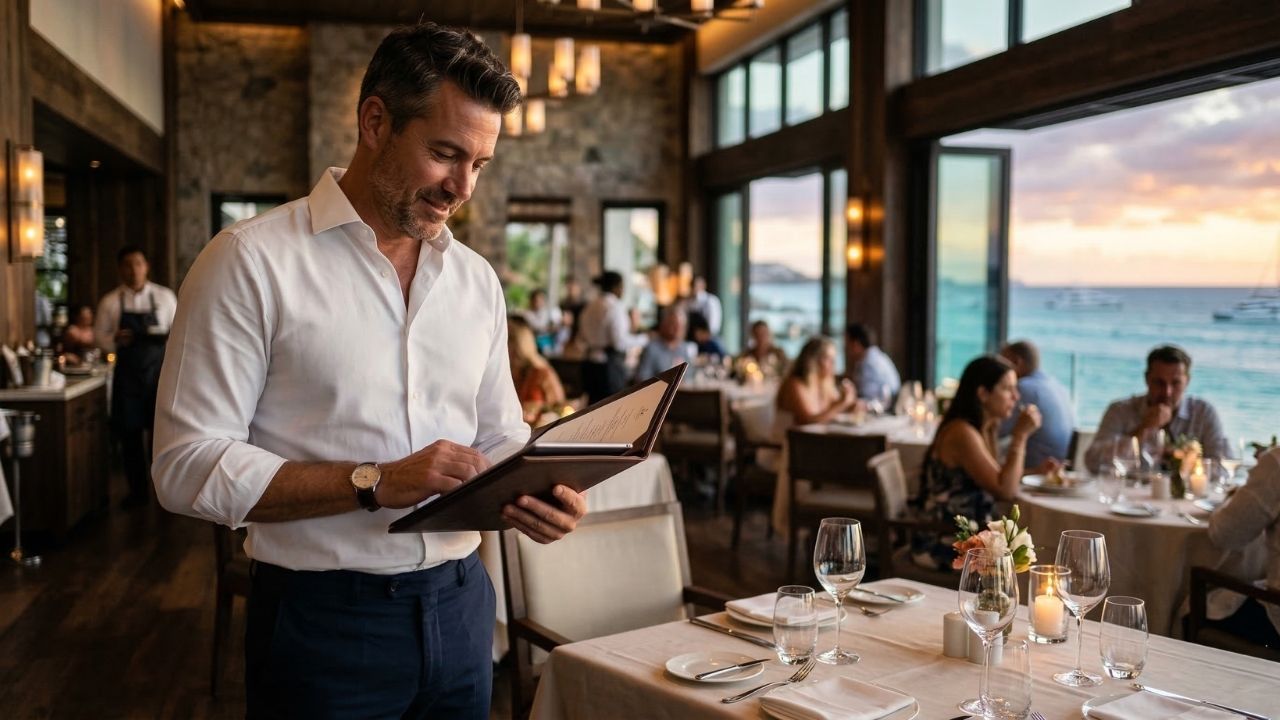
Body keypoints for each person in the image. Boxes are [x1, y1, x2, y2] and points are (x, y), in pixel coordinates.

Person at [151, 24, 587, 719]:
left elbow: (501, 432)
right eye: (445, 154)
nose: (461, 187)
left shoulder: (475, 281)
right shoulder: (250, 261)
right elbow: (183, 466)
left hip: (463, 604)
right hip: (322, 622)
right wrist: (375, 483)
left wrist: (539, 488)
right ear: (375, 121)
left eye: (480, 164)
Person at [909, 354, 1046, 570]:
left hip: (967, 538)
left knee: (1028, 555)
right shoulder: (962, 433)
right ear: (983, 393)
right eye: (1007, 389)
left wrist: (1036, 472)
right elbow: (1005, 490)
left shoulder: (984, 428)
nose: (1016, 396)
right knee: (1032, 559)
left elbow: (996, 477)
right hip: (944, 542)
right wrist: (1020, 436)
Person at [95, 245, 177, 508]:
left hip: (159, 375)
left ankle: (165, 494)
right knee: (129, 436)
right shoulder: (110, 301)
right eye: (127, 265)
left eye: (138, 264)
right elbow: (100, 339)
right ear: (120, 269)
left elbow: (178, 334)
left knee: (161, 436)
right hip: (127, 377)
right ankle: (137, 493)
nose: (133, 270)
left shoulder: (165, 297)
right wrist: (114, 340)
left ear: (147, 266)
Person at [1084, 345, 1232, 472]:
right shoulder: (1120, 410)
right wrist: (1143, 429)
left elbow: (1224, 467)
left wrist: (1185, 461)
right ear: (1147, 379)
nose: (1167, 392)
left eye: (1175, 383)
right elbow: (1092, 463)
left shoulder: (1203, 413)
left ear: (1187, 381)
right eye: (1159, 383)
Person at [1207, 447, 1280, 649]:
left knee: (1193, 604)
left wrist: (1230, 499)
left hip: (1275, 625)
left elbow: (1225, 535)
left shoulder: (1276, 463)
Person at [998, 340, 1074, 470]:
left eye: (1002, 363)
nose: (998, 370)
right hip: (1057, 470)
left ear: (1017, 362)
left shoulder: (1023, 388)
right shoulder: (1059, 387)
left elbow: (995, 430)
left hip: (1033, 473)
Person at [577, 270, 647, 403]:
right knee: (611, 408)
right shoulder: (614, 307)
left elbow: (581, 338)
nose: (623, 291)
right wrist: (643, 339)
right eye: (622, 287)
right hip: (608, 368)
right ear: (616, 287)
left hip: (588, 364)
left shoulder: (589, 307)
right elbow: (619, 342)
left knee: (592, 407)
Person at [508, 317, 566, 424]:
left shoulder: (541, 372)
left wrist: (538, 408)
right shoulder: (505, 373)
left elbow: (560, 407)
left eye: (510, 340)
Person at [634, 307, 697, 381]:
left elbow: (690, 375)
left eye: (682, 325)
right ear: (663, 324)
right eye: (674, 324)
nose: (678, 329)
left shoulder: (683, 348)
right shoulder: (652, 349)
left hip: (683, 392)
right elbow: (642, 379)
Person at [845, 323, 901, 404]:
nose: (846, 348)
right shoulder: (873, 356)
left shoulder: (870, 363)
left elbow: (868, 397)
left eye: (847, 343)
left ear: (856, 344)